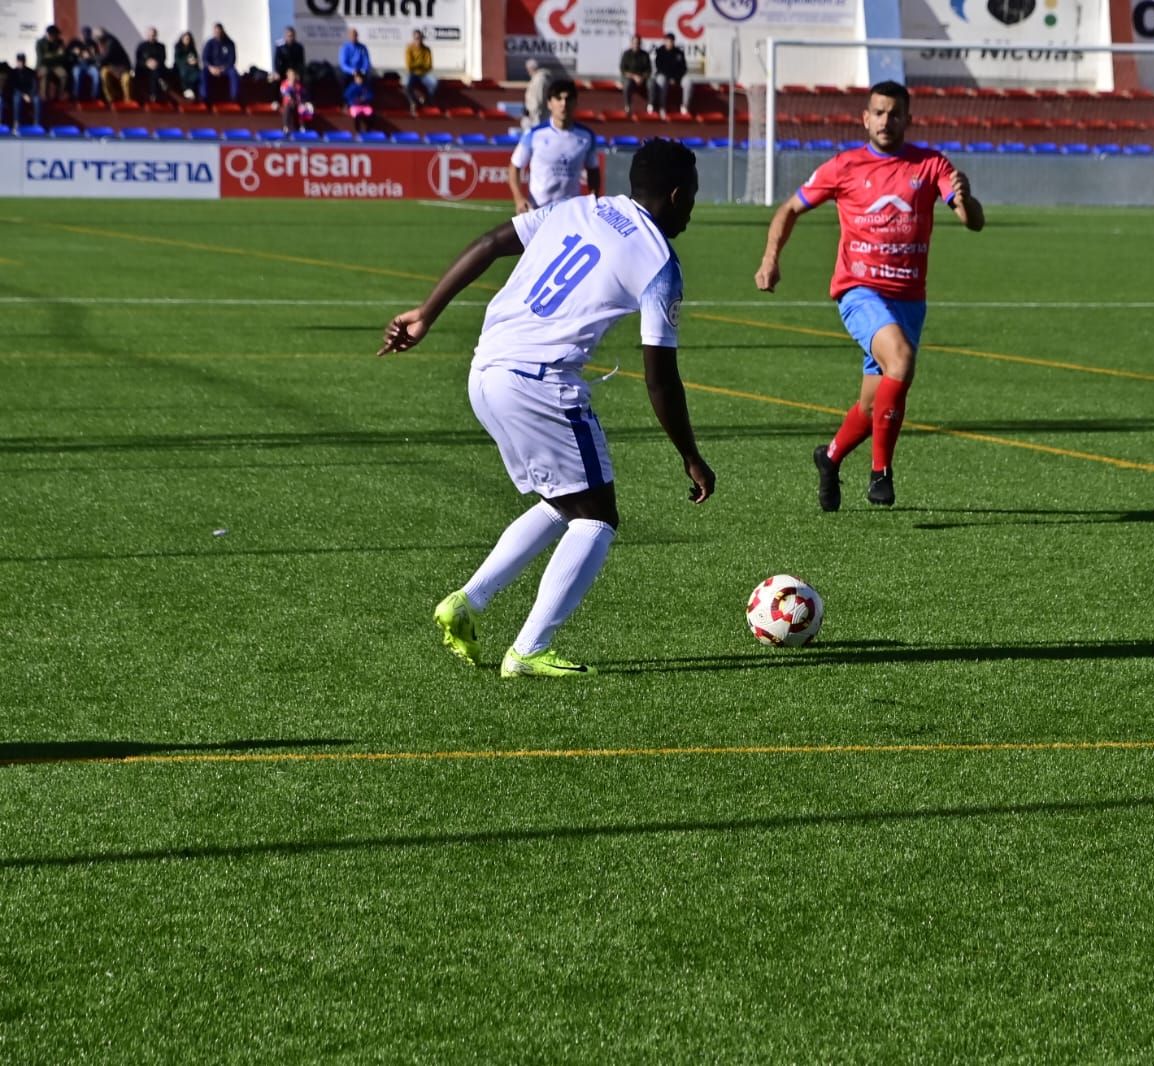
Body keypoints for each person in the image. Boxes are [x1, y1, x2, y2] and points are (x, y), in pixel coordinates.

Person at [378, 138, 714, 680]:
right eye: (692, 197)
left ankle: (467, 601)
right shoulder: (660, 263)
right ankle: (529, 650)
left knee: (565, 501)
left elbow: (490, 242)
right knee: (598, 517)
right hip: (539, 383)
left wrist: (426, 312)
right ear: (676, 195)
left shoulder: (581, 207)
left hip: (486, 371)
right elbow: (660, 378)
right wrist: (690, 455)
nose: (691, 211)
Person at [754, 80, 985, 510]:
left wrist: (967, 199)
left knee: (872, 401)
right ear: (865, 118)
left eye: (895, 114)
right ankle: (881, 472)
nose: (886, 121)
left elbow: (972, 221)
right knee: (901, 359)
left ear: (908, 119)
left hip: (909, 299)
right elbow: (789, 209)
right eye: (878, 112)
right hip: (859, 291)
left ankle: (830, 457)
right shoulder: (844, 166)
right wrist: (771, 259)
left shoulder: (930, 164)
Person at [508, 79, 601, 212]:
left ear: (575, 103)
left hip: (570, 211)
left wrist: (593, 199)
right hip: (538, 210)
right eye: (558, 99)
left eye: (568, 99)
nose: (564, 104)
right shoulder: (534, 134)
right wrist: (518, 198)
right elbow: (514, 167)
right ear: (549, 104)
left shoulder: (586, 136)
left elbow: (593, 170)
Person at [651, 33, 693, 116]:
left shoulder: (679, 53)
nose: (669, 43)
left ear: (674, 42)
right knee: (661, 80)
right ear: (664, 42)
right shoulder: (660, 52)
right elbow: (659, 67)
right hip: (665, 76)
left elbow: (683, 68)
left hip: (677, 78)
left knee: (688, 82)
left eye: (671, 41)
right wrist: (669, 78)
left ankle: (685, 106)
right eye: (667, 41)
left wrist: (675, 78)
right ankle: (662, 107)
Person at [200, 23, 238, 103]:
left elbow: (232, 60)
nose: (218, 34)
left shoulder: (230, 43)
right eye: (216, 32)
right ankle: (204, 97)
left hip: (225, 68)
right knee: (203, 73)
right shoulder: (209, 43)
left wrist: (223, 68)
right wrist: (211, 67)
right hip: (212, 69)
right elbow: (204, 58)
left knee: (233, 72)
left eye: (219, 32)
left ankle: (234, 97)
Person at [94, 28, 131, 104]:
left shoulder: (111, 42)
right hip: (111, 67)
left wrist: (94, 58)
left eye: (97, 37)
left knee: (126, 80)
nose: (96, 39)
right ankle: (110, 98)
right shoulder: (100, 43)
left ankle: (128, 99)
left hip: (121, 67)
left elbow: (106, 57)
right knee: (104, 73)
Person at [130, 28, 167, 103]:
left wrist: (156, 63)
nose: (152, 37)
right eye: (150, 35)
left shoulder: (161, 46)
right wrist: (146, 63)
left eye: (153, 35)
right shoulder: (141, 46)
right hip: (143, 69)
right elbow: (138, 60)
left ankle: (154, 95)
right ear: (147, 35)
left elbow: (163, 58)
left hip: (157, 68)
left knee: (156, 73)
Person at [34, 25, 70, 101]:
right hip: (43, 65)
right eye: (55, 35)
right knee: (45, 74)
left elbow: (63, 57)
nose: (56, 37)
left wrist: (51, 56)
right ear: (49, 34)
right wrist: (56, 55)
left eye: (56, 35)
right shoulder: (40, 42)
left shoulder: (59, 42)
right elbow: (42, 58)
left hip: (56, 65)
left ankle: (60, 94)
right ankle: (44, 97)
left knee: (64, 75)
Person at [620, 35, 650, 117]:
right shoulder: (626, 54)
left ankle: (651, 105)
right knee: (627, 84)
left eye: (638, 43)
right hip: (630, 78)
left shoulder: (645, 55)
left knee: (652, 83)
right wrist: (634, 77)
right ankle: (627, 105)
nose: (636, 45)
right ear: (631, 43)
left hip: (642, 78)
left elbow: (648, 70)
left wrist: (642, 78)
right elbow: (623, 70)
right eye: (634, 43)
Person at [406, 30, 436, 113]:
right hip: (413, 73)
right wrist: (421, 64)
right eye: (416, 38)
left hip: (424, 74)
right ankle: (414, 102)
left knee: (434, 83)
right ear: (413, 39)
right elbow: (409, 65)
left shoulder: (427, 49)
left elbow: (429, 65)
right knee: (406, 84)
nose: (418, 40)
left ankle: (427, 101)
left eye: (420, 38)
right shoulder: (409, 49)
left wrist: (417, 65)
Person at [6, 53, 38, 127]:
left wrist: (30, 95)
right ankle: (16, 122)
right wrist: (23, 94)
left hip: (29, 94)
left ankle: (36, 123)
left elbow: (34, 85)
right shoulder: (13, 72)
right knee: (16, 98)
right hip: (18, 93)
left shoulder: (30, 72)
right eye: (19, 61)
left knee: (37, 100)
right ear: (16, 61)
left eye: (22, 61)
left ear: (24, 61)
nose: (20, 63)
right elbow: (13, 86)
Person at [69, 27, 99, 101]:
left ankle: (94, 96)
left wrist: (88, 55)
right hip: (78, 65)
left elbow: (95, 56)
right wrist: (82, 54)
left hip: (89, 66)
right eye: (84, 34)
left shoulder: (93, 43)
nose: (85, 36)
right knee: (77, 74)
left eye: (88, 34)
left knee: (96, 73)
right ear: (80, 34)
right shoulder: (74, 43)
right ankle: (76, 96)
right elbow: (71, 53)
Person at [280, 66, 313, 133]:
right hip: (288, 104)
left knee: (302, 108)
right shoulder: (284, 84)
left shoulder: (298, 85)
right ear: (288, 75)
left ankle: (302, 127)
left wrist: (304, 102)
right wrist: (291, 97)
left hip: (297, 104)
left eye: (293, 75)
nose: (292, 77)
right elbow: (285, 94)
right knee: (287, 108)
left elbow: (303, 95)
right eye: (291, 75)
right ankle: (286, 127)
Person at [522, 57, 552, 128]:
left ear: (531, 68)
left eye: (528, 69)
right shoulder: (537, 78)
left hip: (536, 115)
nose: (528, 72)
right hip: (535, 113)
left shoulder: (539, 80)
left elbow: (538, 98)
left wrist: (532, 113)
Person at [173, 31, 201, 100]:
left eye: (188, 39)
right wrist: (187, 61)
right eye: (186, 39)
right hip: (180, 67)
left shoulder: (192, 49)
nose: (187, 40)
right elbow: (178, 59)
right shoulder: (178, 47)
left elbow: (195, 58)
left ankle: (192, 90)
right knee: (184, 72)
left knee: (197, 73)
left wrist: (195, 61)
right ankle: (187, 90)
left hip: (192, 67)